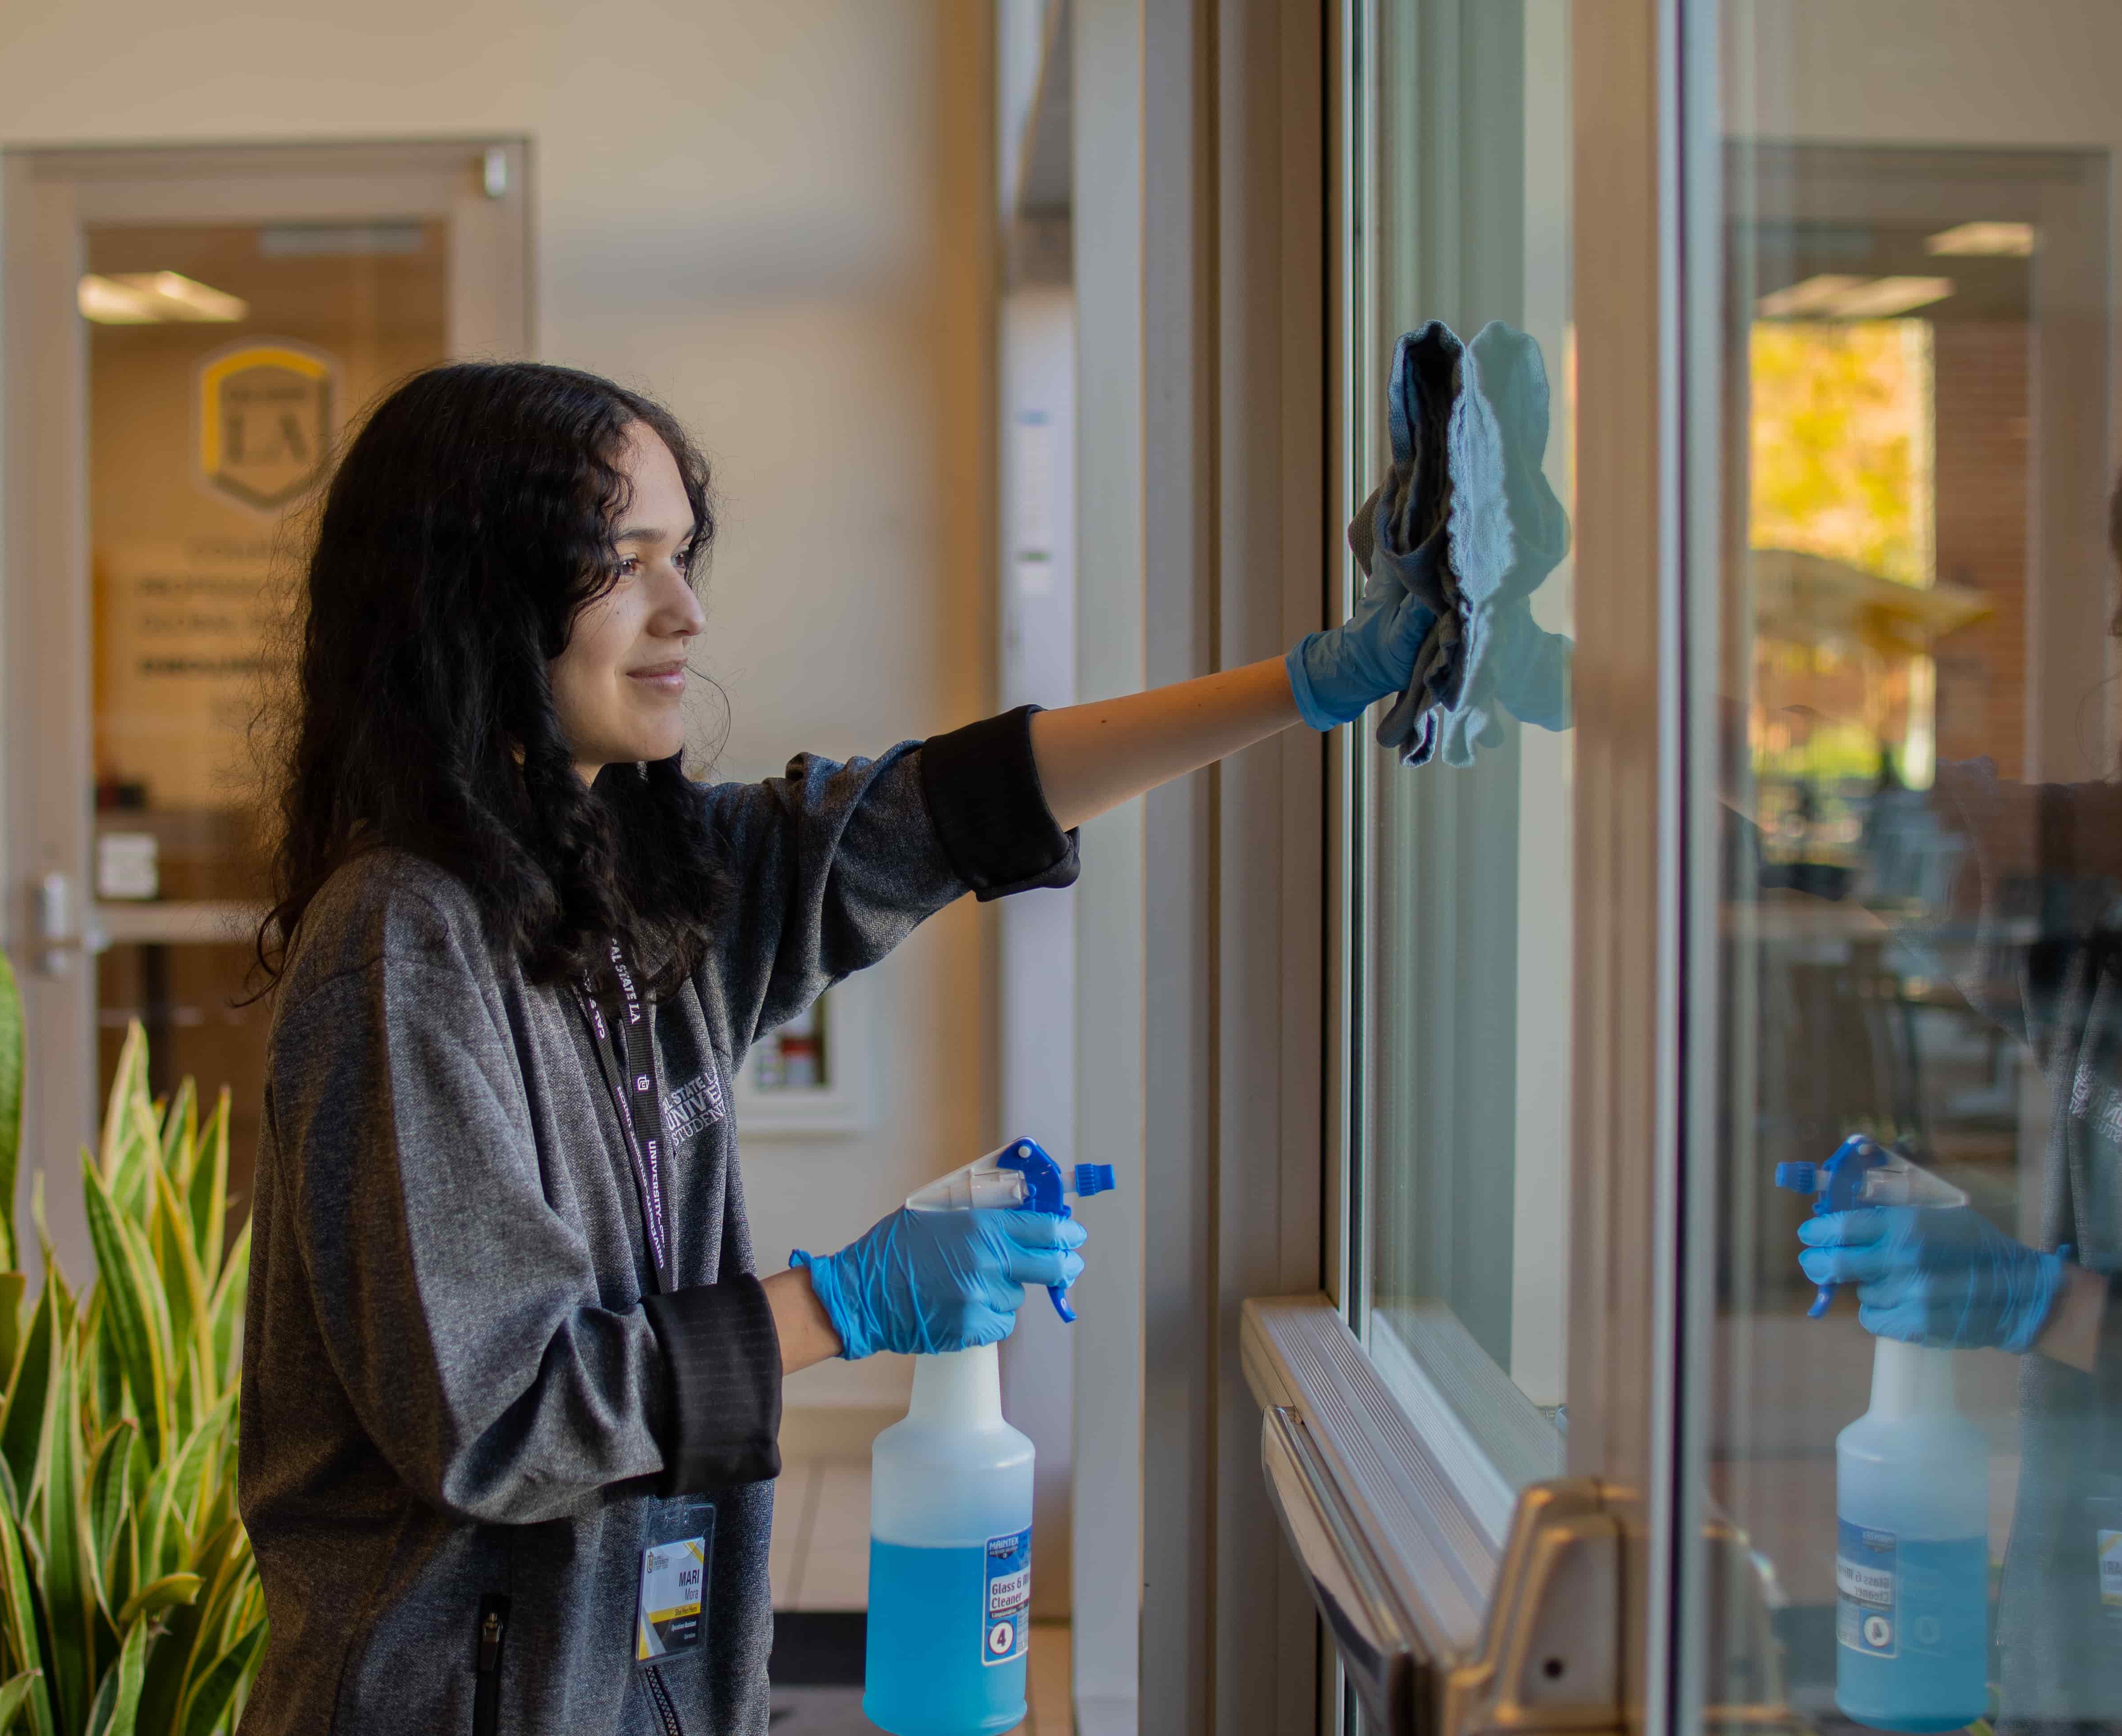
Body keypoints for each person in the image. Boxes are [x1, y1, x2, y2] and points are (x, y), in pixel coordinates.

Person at [235, 361, 1436, 1735]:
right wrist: (847, 1303)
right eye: (617, 563)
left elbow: (933, 811)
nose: (684, 611)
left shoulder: (630, 883)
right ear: (470, 594)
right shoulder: (404, 941)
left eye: (680, 554)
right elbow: (506, 1419)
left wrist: (1308, 682)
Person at [1797, 408, 2122, 1732]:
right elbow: (1836, 814)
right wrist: (1569, 679)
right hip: (2086, 1660)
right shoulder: (2120, 903)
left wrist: (2039, 1305)